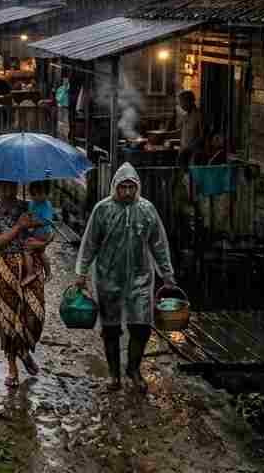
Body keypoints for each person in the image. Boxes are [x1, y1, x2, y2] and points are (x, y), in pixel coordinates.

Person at [75, 163, 176, 394]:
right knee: (110, 328)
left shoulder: (147, 210)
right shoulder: (102, 210)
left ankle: (133, 369)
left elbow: (158, 244)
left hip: (141, 276)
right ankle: (113, 374)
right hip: (108, 276)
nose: (128, 192)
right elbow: (89, 243)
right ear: (115, 187)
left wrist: (167, 274)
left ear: (137, 187)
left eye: (132, 187)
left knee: (141, 326)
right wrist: (81, 272)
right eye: (123, 187)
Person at [0, 180, 50, 388]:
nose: (8, 191)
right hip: (4, 268)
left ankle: (24, 349)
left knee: (35, 314)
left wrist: (44, 241)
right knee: (7, 318)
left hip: (29, 264)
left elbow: (45, 230)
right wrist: (18, 227)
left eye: (11, 187)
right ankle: (12, 367)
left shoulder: (27, 207)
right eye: (3, 188)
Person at [20, 181, 57, 286]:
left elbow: (46, 221)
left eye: (40, 193)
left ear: (46, 193)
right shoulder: (32, 203)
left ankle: (30, 273)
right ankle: (49, 273)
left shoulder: (46, 205)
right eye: (34, 194)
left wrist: (31, 224)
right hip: (35, 234)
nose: (37, 197)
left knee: (26, 249)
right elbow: (31, 215)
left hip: (43, 234)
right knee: (41, 253)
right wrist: (29, 216)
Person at [174, 91, 203, 168]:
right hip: (183, 153)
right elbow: (181, 133)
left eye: (181, 102)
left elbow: (202, 136)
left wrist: (189, 148)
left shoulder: (199, 115)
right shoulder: (185, 116)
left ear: (189, 102)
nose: (180, 105)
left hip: (194, 154)